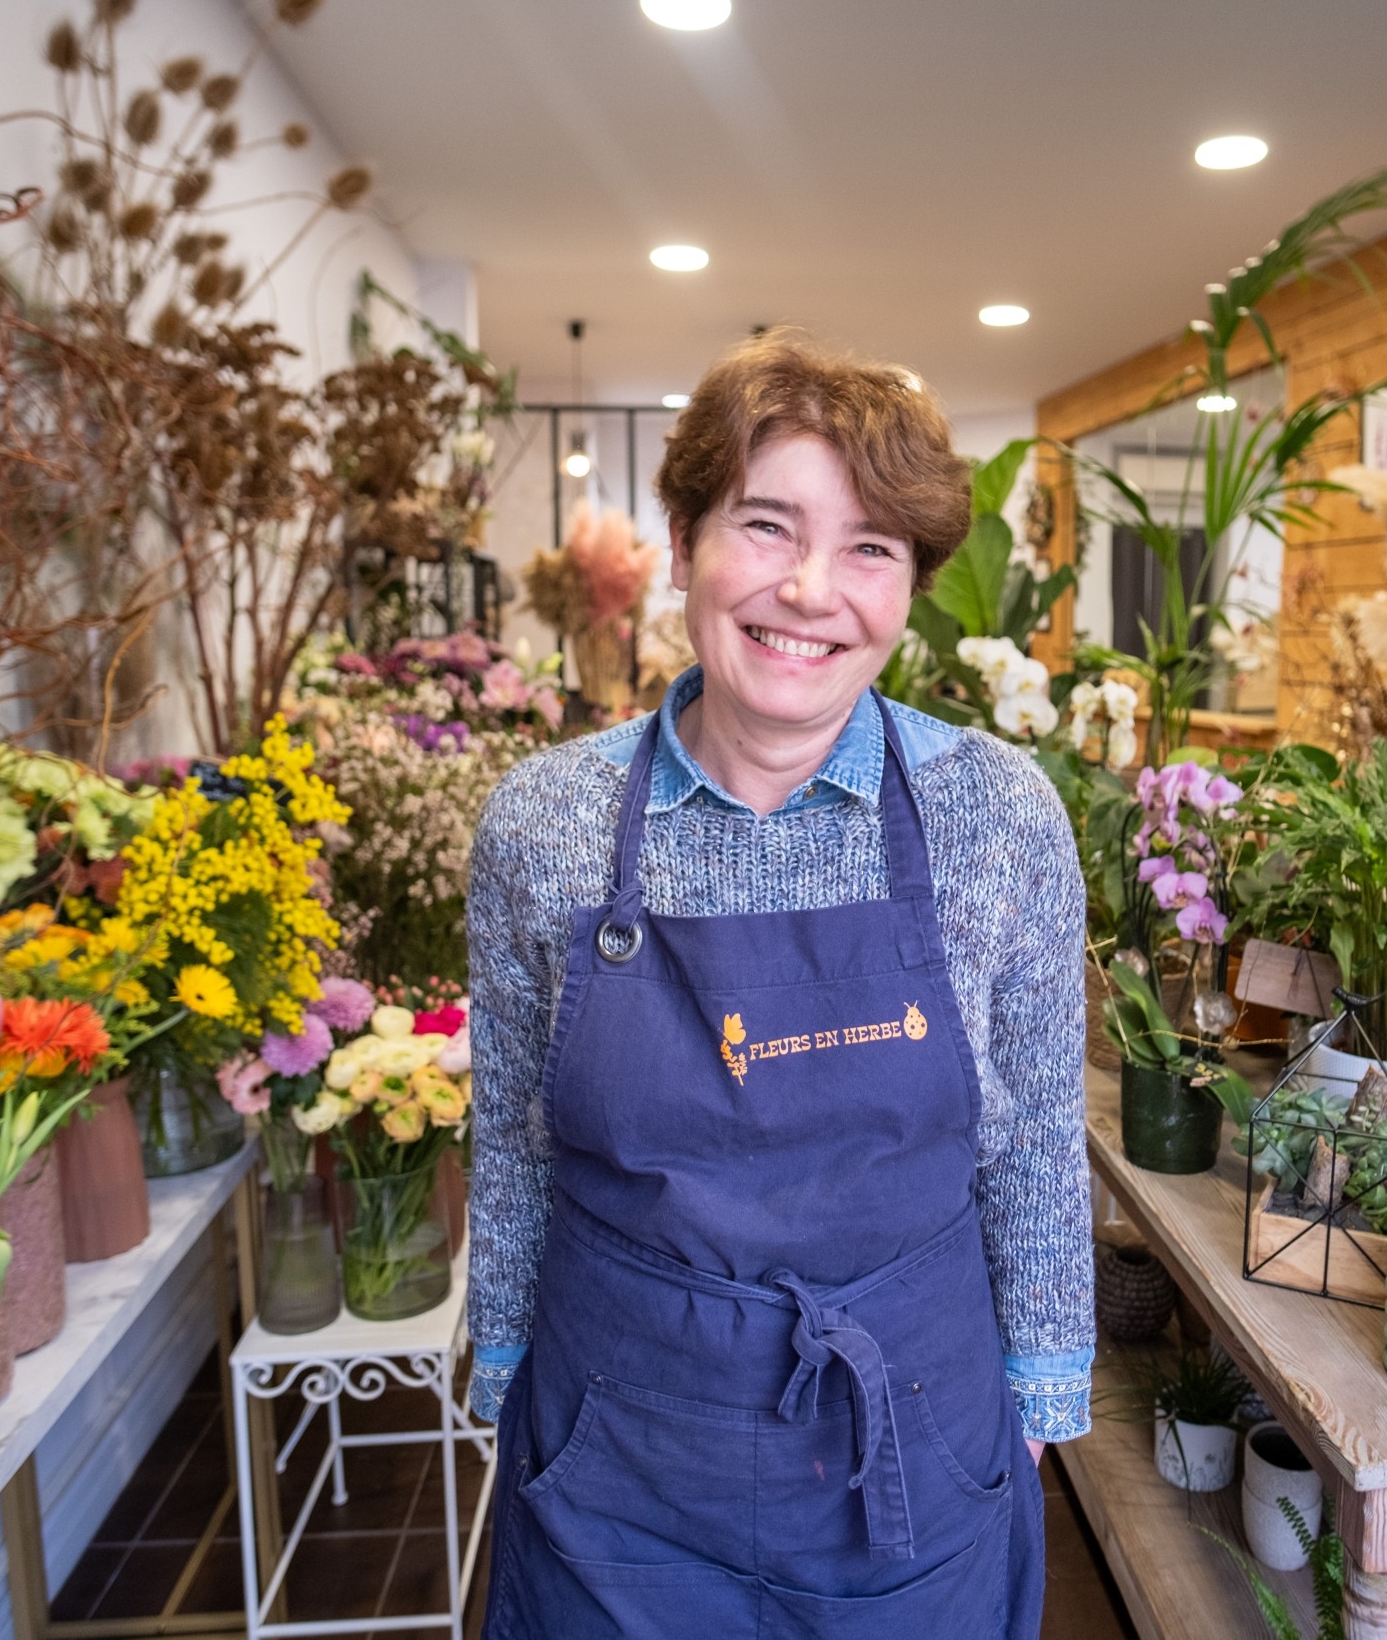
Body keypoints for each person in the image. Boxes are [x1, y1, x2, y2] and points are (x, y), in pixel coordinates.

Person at [463, 331, 1090, 1637]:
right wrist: (506, 1380)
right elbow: (514, 1134)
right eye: (766, 525)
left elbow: (1035, 1136)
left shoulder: (994, 814)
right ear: (685, 535)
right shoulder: (545, 825)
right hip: (612, 1460)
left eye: (870, 547)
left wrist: (1037, 1407)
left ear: (912, 582)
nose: (813, 590)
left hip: (908, 1449)